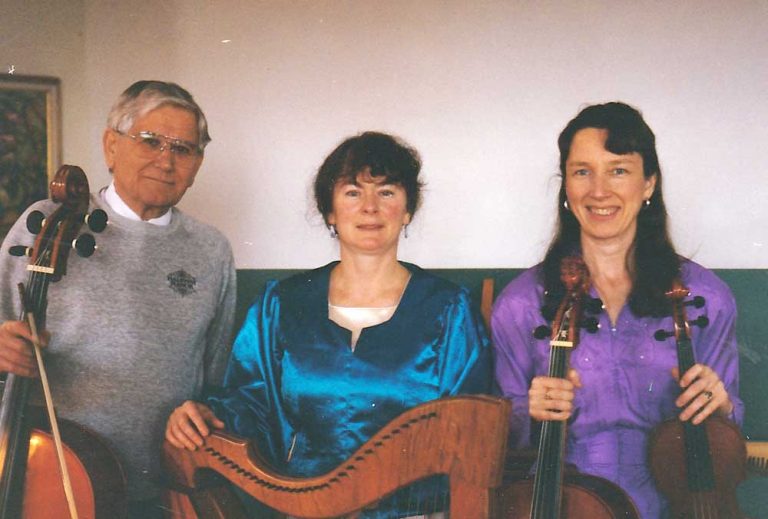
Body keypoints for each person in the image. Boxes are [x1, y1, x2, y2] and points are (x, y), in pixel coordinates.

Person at [166, 131, 492, 518]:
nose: (370, 207)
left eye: (387, 192)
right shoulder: (282, 304)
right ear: (330, 212)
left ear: (407, 211)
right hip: (305, 508)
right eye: (353, 192)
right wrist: (204, 415)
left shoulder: (449, 309)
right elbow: (250, 401)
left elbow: (469, 430)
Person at [491, 102, 743, 518]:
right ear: (566, 188)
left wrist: (722, 406)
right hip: (564, 507)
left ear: (648, 185)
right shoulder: (521, 304)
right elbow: (499, 439)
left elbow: (732, 427)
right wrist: (525, 410)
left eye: (619, 170)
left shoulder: (706, 297)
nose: (599, 190)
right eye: (582, 171)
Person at [0, 80, 236, 518]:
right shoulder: (42, 224)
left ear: (197, 164)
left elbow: (215, 374)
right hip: (50, 481)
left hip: (165, 486)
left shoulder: (212, 250)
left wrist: (202, 411)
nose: (166, 161)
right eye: (150, 142)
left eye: (183, 149)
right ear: (111, 146)